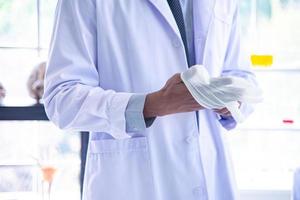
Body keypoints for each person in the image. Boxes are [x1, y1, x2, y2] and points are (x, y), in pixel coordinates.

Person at [43, 0, 256, 199]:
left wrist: (233, 101)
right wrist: (150, 105)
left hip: (211, 175)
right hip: (132, 181)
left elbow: (242, 76)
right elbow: (62, 98)